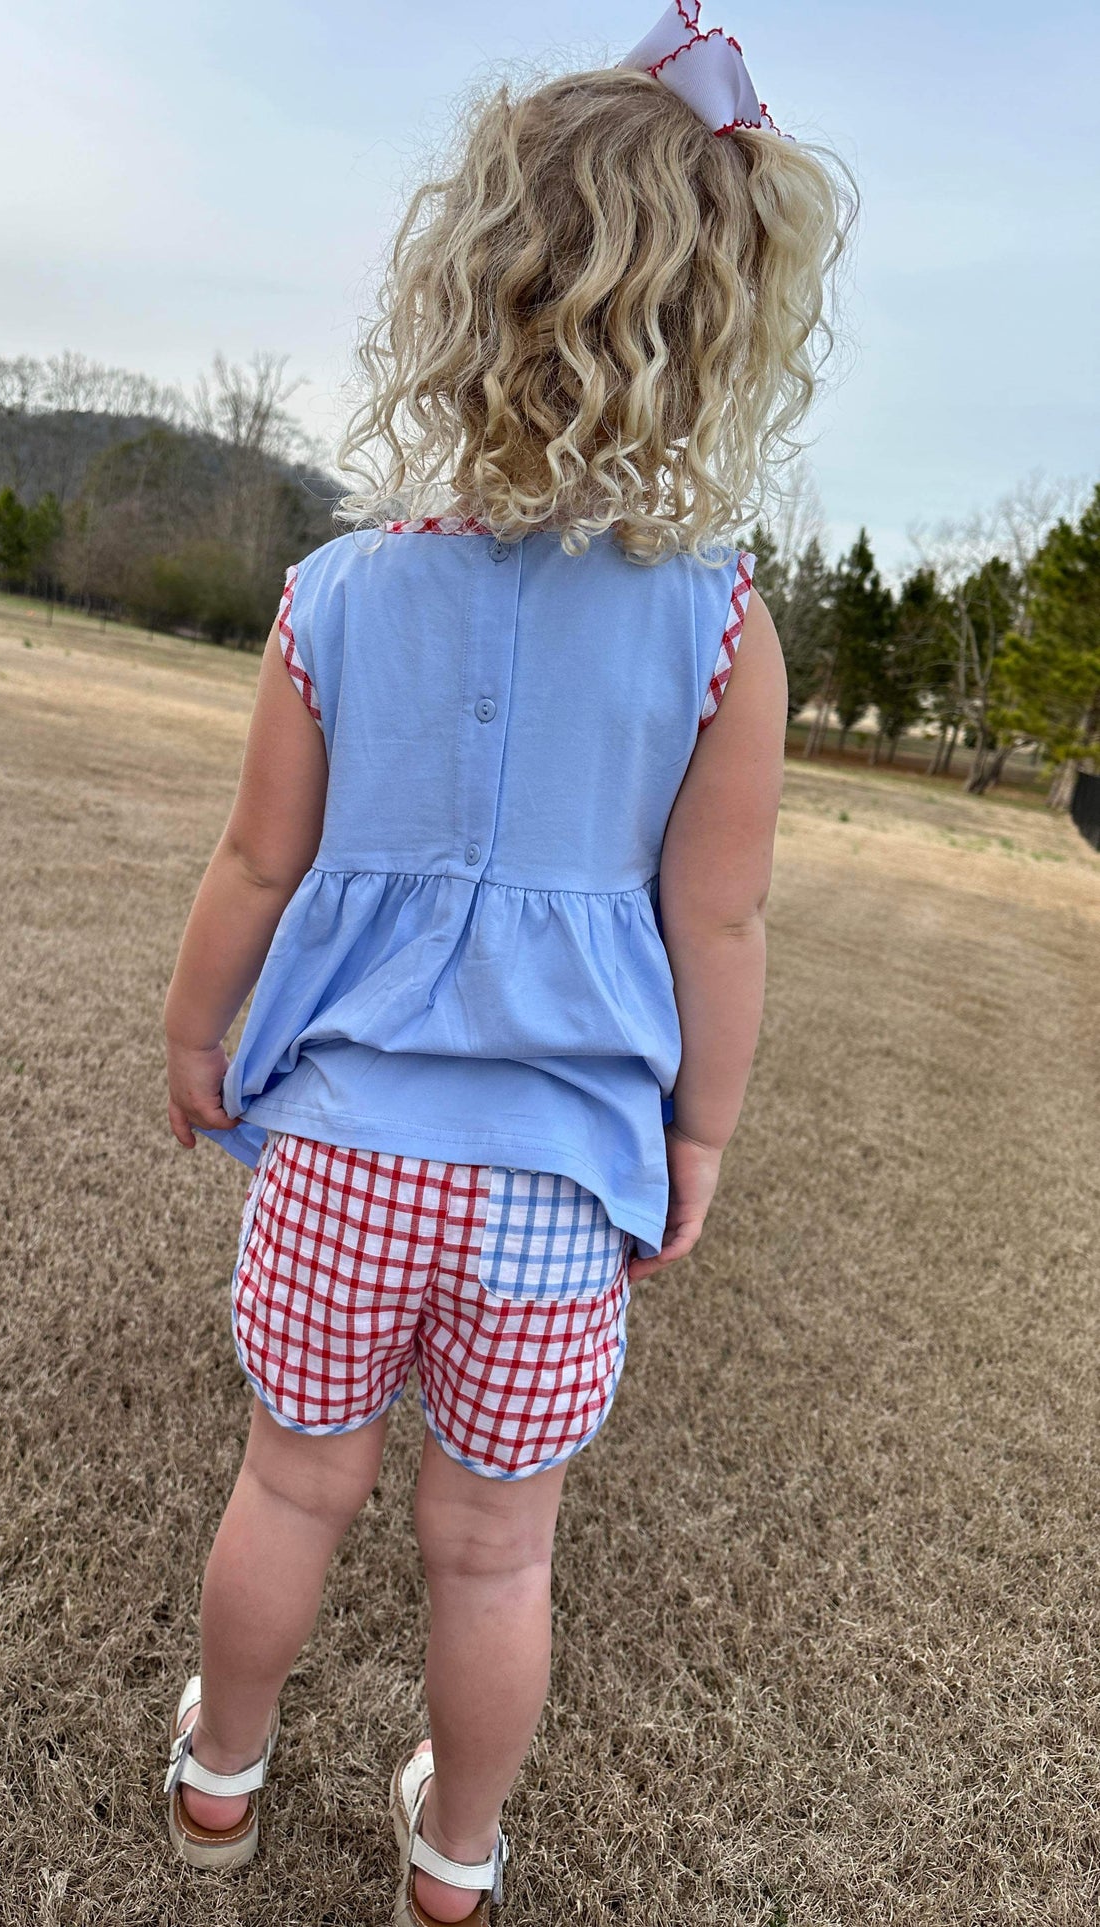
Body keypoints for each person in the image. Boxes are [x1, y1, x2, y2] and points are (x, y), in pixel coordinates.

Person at [160, 5, 853, 1918]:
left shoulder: (336, 591)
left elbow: (253, 860)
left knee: (287, 1486)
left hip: (343, 1157)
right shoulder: (722, 629)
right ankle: (455, 1859)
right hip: (555, 1188)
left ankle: (219, 1773)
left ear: (461, 292)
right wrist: (694, 1137)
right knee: (495, 1556)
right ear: (717, 334)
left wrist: (192, 1026)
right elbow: (716, 921)